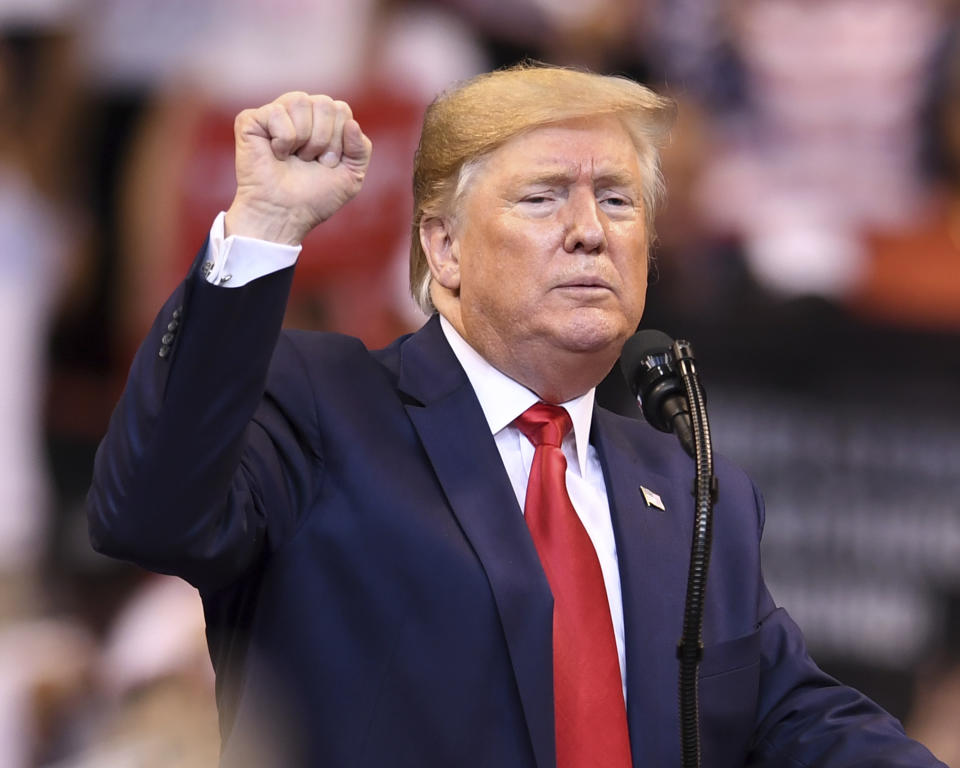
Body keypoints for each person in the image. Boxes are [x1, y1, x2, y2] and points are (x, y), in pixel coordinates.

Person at [86, 64, 946, 767]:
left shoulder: (686, 490)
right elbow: (150, 515)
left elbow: (791, 715)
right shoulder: (322, 406)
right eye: (542, 198)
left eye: (617, 199)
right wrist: (266, 223)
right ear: (444, 247)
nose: (588, 231)